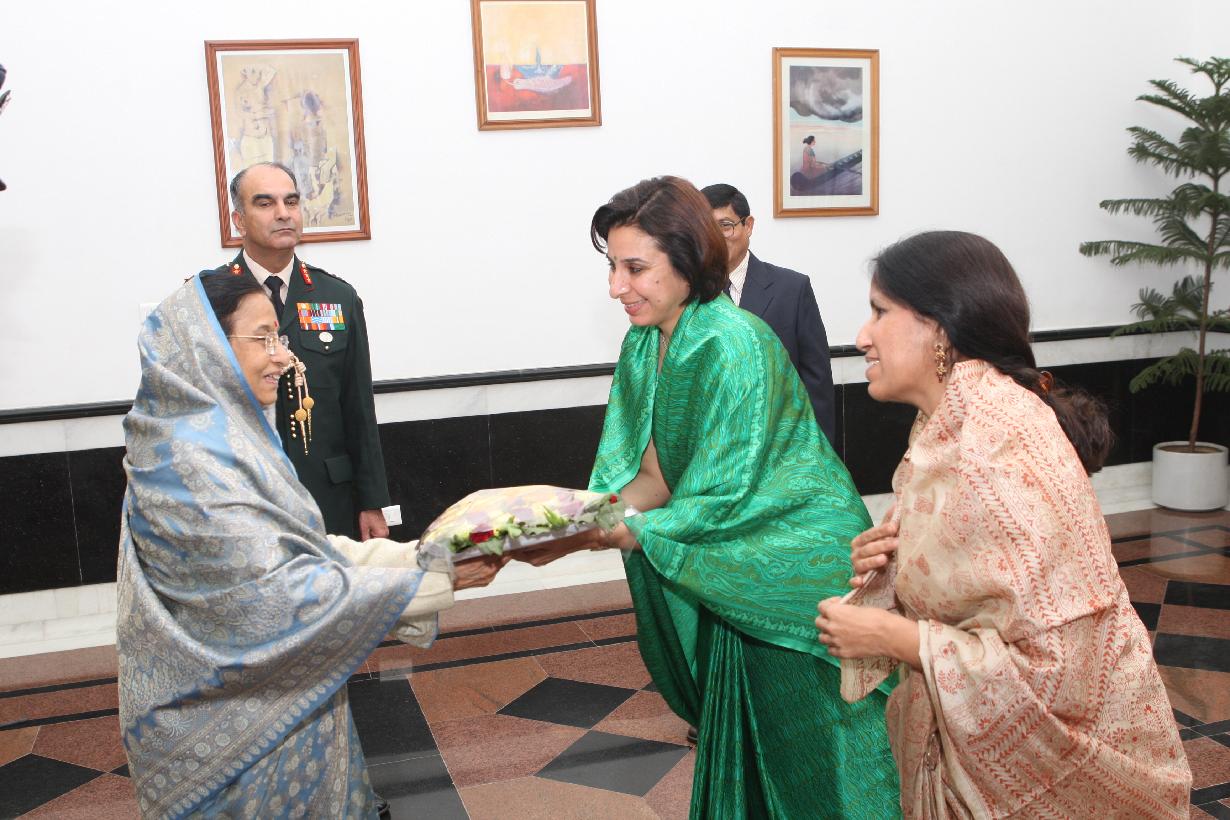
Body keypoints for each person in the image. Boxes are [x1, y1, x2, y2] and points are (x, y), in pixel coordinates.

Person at [816, 231, 1192, 818]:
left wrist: (892, 637)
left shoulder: (996, 446)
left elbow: (1058, 669)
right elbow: (983, 590)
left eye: (880, 311)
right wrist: (894, 565)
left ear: (939, 329)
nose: (863, 335)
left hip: (1064, 775)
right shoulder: (953, 425)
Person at [588, 176, 899, 818]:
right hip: (735, 567)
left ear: (686, 259)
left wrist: (609, 531)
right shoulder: (647, 341)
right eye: (612, 267)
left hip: (797, 574)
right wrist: (566, 521)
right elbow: (655, 480)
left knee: (823, 775)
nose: (616, 286)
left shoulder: (734, 342)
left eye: (634, 268)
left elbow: (722, 499)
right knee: (756, 759)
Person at [117, 271, 455, 818]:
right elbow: (275, 597)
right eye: (263, 339)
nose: (283, 357)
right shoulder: (186, 462)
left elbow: (301, 549)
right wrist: (432, 576)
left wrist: (424, 557)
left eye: (280, 338)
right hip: (233, 740)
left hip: (272, 703)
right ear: (207, 347)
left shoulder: (228, 435)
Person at [223, 161, 389, 540]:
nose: (283, 213)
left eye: (292, 202)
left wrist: (372, 500)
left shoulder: (337, 296)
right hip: (245, 497)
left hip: (327, 495)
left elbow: (358, 406)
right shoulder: (213, 299)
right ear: (240, 221)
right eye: (265, 203)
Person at [700, 183, 838, 446]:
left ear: (748, 225)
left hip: (780, 447)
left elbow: (816, 382)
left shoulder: (792, 289)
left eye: (725, 226)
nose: (715, 238)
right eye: (706, 229)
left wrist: (818, 453)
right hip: (712, 450)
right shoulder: (687, 295)